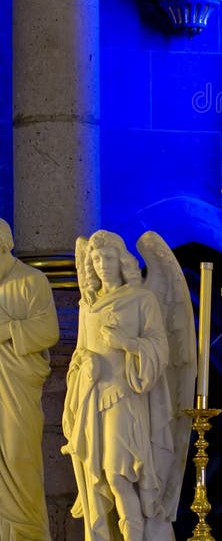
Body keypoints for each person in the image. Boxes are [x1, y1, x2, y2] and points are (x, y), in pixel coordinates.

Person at [62, 230, 193, 541]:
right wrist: (83, 367)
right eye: (95, 259)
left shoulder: (142, 299)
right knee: (101, 480)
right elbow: (79, 355)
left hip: (126, 399)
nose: (101, 264)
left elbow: (160, 347)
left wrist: (127, 343)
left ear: (121, 261)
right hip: (93, 401)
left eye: (107, 257)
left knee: (120, 476)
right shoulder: (88, 305)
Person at [0, 217, 59, 541]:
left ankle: (27, 534)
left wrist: (7, 330)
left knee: (19, 458)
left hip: (16, 387)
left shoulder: (31, 281)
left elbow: (47, 331)